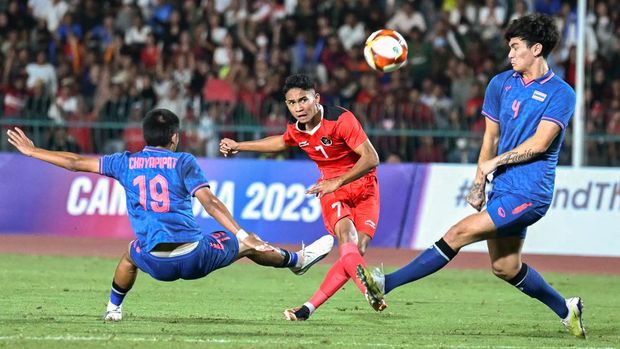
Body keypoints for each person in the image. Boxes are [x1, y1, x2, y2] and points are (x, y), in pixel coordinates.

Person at [357, 13, 586, 339]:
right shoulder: (501, 84)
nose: (510, 54)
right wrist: (480, 183)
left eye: (516, 47)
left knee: (459, 232)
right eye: (509, 47)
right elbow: (489, 138)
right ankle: (567, 309)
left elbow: (540, 143)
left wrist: (494, 163)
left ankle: (385, 284)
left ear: (537, 49)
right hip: (502, 188)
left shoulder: (561, 93)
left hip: (531, 192)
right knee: (505, 268)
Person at [6, 108, 334, 321]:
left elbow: (76, 162)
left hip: (155, 262)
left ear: (144, 137)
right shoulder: (183, 162)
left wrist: (33, 151)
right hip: (194, 257)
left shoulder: (125, 162)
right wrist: (240, 232)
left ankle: (113, 310)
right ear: (174, 138)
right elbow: (209, 201)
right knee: (248, 246)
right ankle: (296, 262)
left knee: (128, 255)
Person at [219, 74, 383, 321]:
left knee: (357, 253)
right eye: (292, 103)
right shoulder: (297, 130)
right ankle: (371, 292)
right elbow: (279, 142)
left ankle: (307, 308)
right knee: (347, 241)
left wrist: (337, 180)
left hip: (365, 189)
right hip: (332, 192)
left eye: (303, 100)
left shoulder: (341, 120)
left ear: (316, 98)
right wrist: (239, 145)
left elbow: (371, 158)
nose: (298, 108)